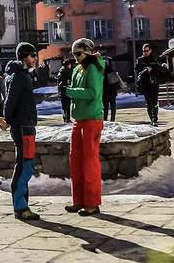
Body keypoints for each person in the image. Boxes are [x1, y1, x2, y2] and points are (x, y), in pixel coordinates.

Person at [0, 42, 41, 221]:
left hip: (26, 125)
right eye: (32, 56)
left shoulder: (20, 75)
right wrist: (7, 119)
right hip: (23, 127)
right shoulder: (19, 77)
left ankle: (22, 205)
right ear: (23, 57)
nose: (35, 59)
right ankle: (20, 207)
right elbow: (10, 101)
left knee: (26, 164)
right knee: (25, 165)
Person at [63, 38, 105, 216]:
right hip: (79, 120)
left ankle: (92, 203)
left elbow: (93, 93)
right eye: (73, 54)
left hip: (91, 120)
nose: (75, 57)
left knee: (89, 163)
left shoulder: (94, 69)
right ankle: (78, 200)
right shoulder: (78, 69)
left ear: (87, 52)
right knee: (75, 162)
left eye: (78, 54)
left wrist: (70, 91)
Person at [135, 44, 164, 125]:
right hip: (145, 84)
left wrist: (152, 69)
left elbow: (160, 70)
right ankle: (151, 119)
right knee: (148, 102)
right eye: (144, 51)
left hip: (154, 83)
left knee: (154, 101)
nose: (145, 52)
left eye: (147, 51)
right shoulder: (140, 60)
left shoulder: (154, 59)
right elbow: (136, 69)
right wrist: (144, 69)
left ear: (150, 50)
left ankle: (155, 119)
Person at [101, 56, 121, 121]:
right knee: (111, 105)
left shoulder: (104, 70)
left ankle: (107, 119)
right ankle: (111, 119)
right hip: (110, 89)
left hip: (107, 89)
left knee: (107, 106)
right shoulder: (112, 68)